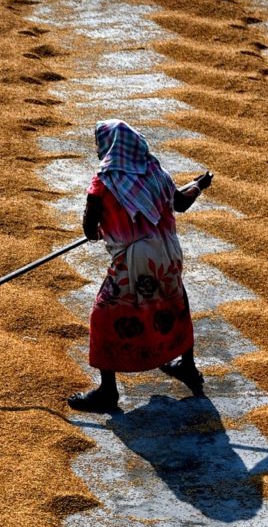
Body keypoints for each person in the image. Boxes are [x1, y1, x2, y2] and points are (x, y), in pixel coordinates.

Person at [68, 120, 211, 413]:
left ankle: (108, 391)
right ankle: (188, 367)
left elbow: (88, 228)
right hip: (168, 254)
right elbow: (179, 204)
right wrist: (198, 184)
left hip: (135, 259)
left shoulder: (103, 182)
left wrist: (99, 230)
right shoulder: (155, 171)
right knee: (174, 304)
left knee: (105, 313)